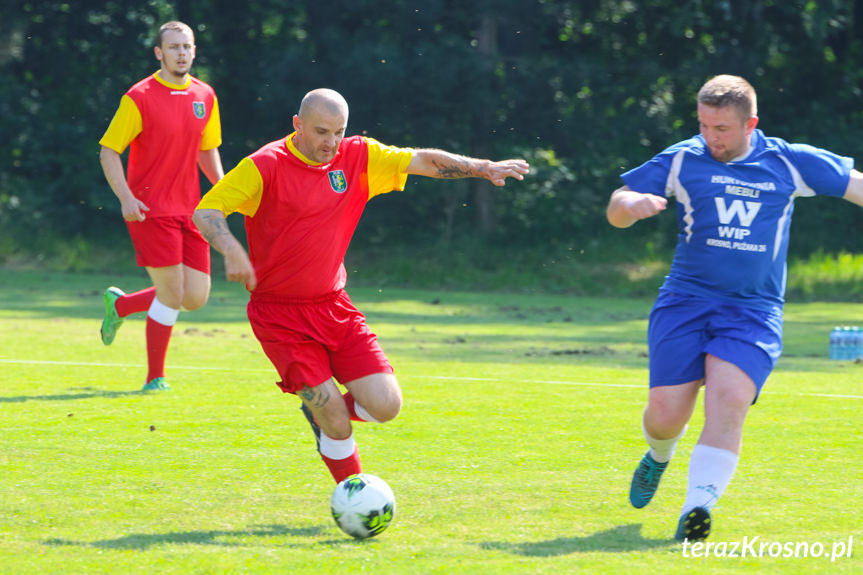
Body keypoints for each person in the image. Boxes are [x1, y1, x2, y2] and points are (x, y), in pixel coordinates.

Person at [193, 88, 529, 483]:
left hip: (335, 307)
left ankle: (320, 408)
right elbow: (207, 211)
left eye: (339, 131)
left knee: (387, 406)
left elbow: (421, 160)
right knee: (335, 419)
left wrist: (482, 166)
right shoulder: (265, 165)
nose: (331, 142)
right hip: (279, 315)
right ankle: (352, 493)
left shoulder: (358, 156)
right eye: (321, 131)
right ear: (297, 125)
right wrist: (231, 250)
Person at [607, 74, 863, 541]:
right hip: (684, 303)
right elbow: (616, 206)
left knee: (729, 401)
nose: (711, 137)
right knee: (665, 415)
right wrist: (632, 204)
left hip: (752, 311)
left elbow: (856, 185)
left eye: (721, 128)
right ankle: (658, 457)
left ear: (751, 124)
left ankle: (696, 508)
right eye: (704, 125)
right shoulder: (684, 158)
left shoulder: (788, 161)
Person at [98, 21, 225, 391]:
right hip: (149, 210)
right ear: (159, 53)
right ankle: (155, 378)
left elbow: (206, 149)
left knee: (195, 297)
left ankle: (119, 307)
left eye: (187, 47)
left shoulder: (206, 95)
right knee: (172, 294)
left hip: (192, 210)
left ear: (194, 51)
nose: (181, 53)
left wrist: (223, 187)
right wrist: (125, 197)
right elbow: (109, 151)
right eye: (173, 47)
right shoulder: (139, 96)